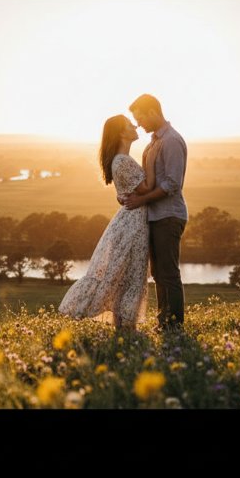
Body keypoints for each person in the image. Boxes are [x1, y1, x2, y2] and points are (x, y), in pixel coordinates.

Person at [57, 114, 160, 332]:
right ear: (122, 133)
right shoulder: (122, 160)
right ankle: (125, 327)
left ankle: (124, 327)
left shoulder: (121, 159)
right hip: (133, 223)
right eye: (130, 124)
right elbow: (148, 187)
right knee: (132, 273)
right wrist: (151, 159)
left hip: (132, 219)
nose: (135, 125)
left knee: (126, 273)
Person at [120, 94, 188, 333]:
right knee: (158, 273)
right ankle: (165, 323)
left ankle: (173, 326)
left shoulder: (171, 141)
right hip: (156, 216)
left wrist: (141, 200)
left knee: (168, 272)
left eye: (140, 118)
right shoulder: (154, 142)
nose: (139, 124)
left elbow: (172, 184)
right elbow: (147, 181)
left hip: (168, 215)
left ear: (152, 111)